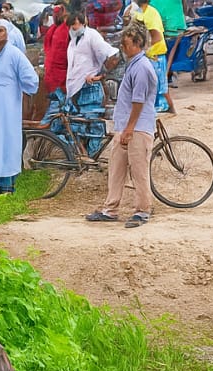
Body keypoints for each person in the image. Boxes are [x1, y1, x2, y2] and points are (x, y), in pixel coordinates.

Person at [85, 22, 158, 226]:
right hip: (126, 127)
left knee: (139, 171)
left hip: (137, 128)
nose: (123, 49)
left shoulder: (142, 68)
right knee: (116, 169)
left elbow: (138, 102)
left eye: (125, 44)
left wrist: (129, 129)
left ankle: (143, 210)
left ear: (137, 43)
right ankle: (110, 209)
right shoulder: (134, 65)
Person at [0, 18, 39, 195]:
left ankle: (7, 187)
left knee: (6, 144)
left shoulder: (14, 54)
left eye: (0, 31)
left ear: (7, 33)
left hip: (8, 112)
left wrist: (18, 88)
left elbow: (32, 80)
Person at [63, 12, 119, 157]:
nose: (73, 28)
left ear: (83, 23)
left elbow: (111, 55)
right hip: (75, 88)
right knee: (77, 124)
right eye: (71, 25)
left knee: (93, 124)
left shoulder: (92, 36)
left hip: (90, 88)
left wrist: (100, 75)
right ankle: (83, 156)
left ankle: (93, 156)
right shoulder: (73, 40)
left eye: (75, 24)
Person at [129, 0, 173, 112]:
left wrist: (143, 49)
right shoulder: (139, 11)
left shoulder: (150, 14)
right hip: (148, 55)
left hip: (155, 54)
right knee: (155, 84)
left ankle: (167, 108)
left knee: (159, 86)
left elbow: (157, 36)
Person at [42, 4, 70, 99]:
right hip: (51, 70)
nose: (55, 16)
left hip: (61, 71)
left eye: (57, 14)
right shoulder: (52, 29)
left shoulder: (66, 29)